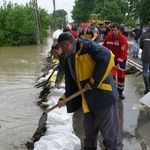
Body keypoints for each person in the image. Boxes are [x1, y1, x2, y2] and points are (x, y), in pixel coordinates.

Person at [57, 32, 123, 150]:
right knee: (89, 135)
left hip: (103, 99)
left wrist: (93, 81)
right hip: (88, 102)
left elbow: (107, 56)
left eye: (61, 48)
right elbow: (75, 84)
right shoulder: (71, 59)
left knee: (111, 137)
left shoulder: (87, 47)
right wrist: (64, 98)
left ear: (67, 44)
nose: (61, 51)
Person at [103, 23, 128, 99]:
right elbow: (104, 48)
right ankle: (113, 91)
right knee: (112, 76)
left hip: (121, 60)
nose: (114, 32)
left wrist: (118, 63)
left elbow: (122, 52)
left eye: (115, 30)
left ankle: (120, 92)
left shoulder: (122, 39)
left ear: (118, 30)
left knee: (121, 77)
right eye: (112, 30)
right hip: (111, 60)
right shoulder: (108, 38)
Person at [139, 21, 150, 94]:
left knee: (145, 71)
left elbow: (141, 46)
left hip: (146, 55)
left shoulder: (144, 35)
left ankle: (147, 87)